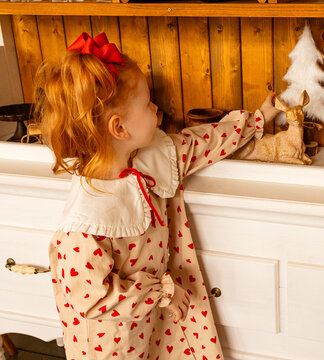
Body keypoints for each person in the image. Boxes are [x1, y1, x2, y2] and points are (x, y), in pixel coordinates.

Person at [35, 32, 280, 360]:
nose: (157, 108)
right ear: (120, 129)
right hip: (111, 343)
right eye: (148, 103)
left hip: (156, 320)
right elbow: (91, 298)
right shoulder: (86, 220)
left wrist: (258, 119)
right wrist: (161, 292)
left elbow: (204, 141)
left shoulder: (155, 157)